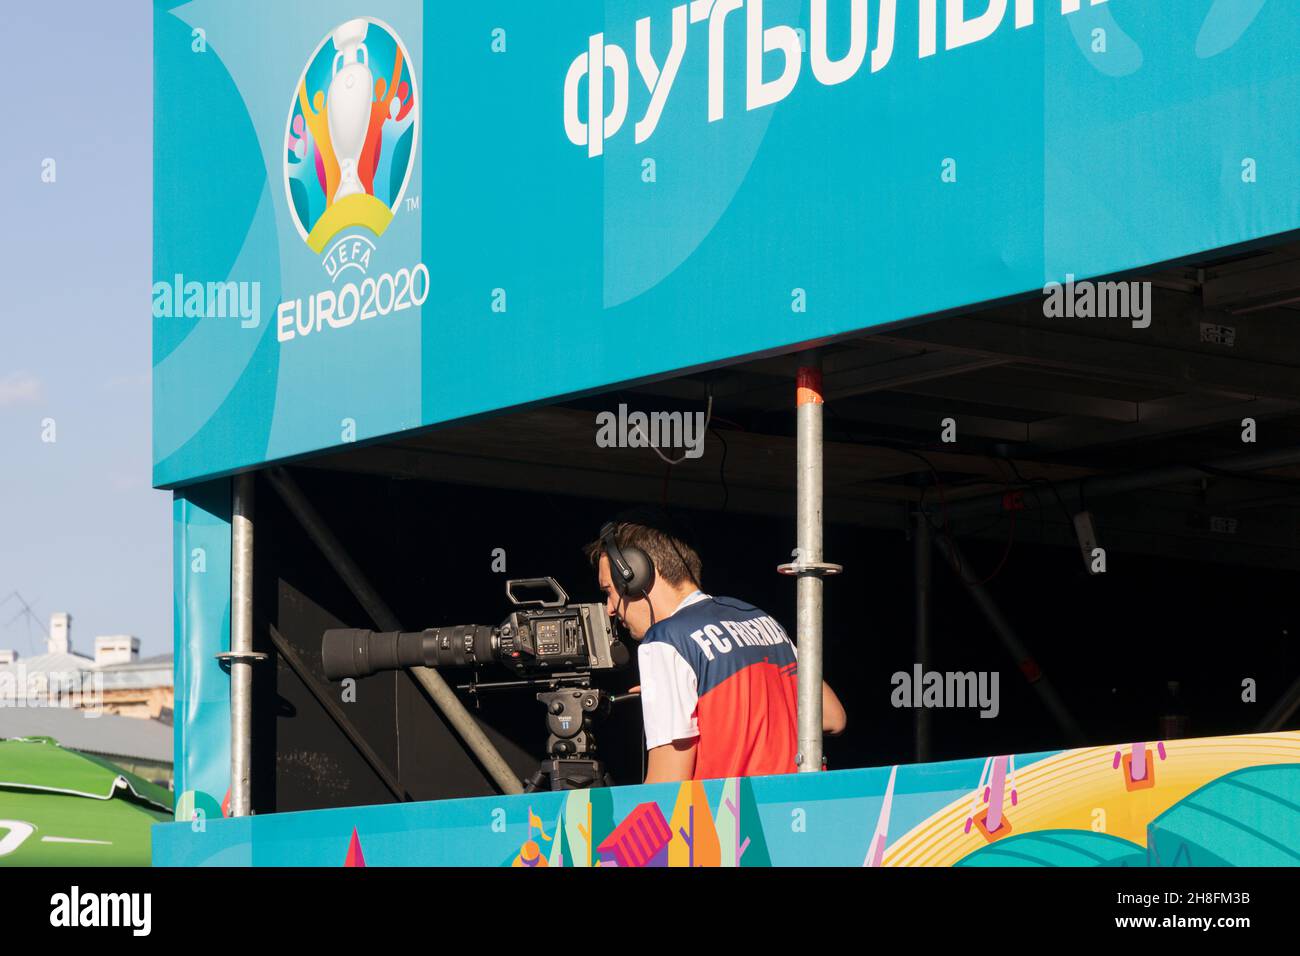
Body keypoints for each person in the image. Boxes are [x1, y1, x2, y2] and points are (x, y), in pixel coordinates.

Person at [584, 509, 846, 784]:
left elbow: (666, 786)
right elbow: (831, 716)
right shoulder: (759, 618)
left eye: (609, 591)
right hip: (798, 812)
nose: (610, 609)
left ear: (636, 575)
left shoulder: (664, 640)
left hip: (728, 822)